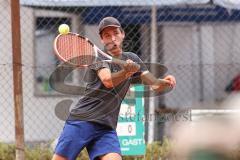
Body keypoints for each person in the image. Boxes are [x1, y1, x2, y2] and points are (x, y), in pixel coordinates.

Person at [52, 16, 176, 160]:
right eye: (107, 35)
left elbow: (154, 84)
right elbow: (107, 80)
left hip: (105, 127)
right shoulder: (97, 58)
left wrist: (165, 82)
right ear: (102, 39)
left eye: (116, 33)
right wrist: (126, 72)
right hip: (82, 120)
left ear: (122, 34)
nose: (112, 39)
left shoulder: (132, 58)